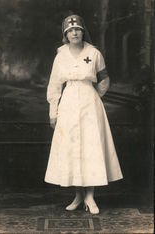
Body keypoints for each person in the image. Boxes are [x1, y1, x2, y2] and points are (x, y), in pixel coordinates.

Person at [44, 14, 123, 214]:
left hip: (89, 103)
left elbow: (104, 79)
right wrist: (53, 112)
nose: (74, 33)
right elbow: (54, 85)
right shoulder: (61, 55)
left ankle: (90, 196)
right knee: (72, 147)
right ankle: (78, 195)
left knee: (90, 146)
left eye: (77, 29)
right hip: (69, 102)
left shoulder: (93, 53)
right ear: (65, 34)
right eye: (70, 30)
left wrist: (94, 97)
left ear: (83, 31)